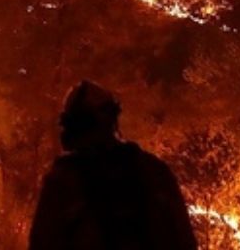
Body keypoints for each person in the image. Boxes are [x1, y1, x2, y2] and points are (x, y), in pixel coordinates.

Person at [28, 81, 198, 250]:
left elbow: (42, 242)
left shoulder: (62, 183)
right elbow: (184, 239)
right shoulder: (153, 171)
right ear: (112, 121)